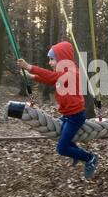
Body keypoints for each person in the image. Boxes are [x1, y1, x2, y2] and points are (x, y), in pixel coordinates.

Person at [17, 41, 98, 179]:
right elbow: (51, 80)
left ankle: (90, 158)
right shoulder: (63, 72)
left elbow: (52, 77)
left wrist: (30, 67)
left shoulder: (72, 72)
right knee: (62, 137)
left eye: (52, 59)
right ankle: (76, 154)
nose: (49, 62)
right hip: (68, 115)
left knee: (62, 148)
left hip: (75, 116)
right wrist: (33, 77)